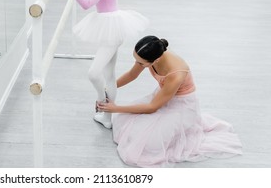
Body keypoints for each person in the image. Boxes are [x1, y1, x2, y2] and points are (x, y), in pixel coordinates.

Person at [97, 35, 243, 167]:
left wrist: (115, 108)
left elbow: (152, 107)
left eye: (141, 63)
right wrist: (107, 88)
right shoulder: (149, 54)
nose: (138, 64)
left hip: (182, 105)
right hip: (163, 95)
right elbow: (132, 74)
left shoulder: (176, 73)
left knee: (149, 146)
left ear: (157, 60)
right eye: (136, 60)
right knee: (125, 122)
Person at [55, 0, 149, 129]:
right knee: (109, 75)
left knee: (94, 73)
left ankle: (102, 105)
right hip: (111, 26)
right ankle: (107, 118)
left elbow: (87, 3)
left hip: (111, 29)